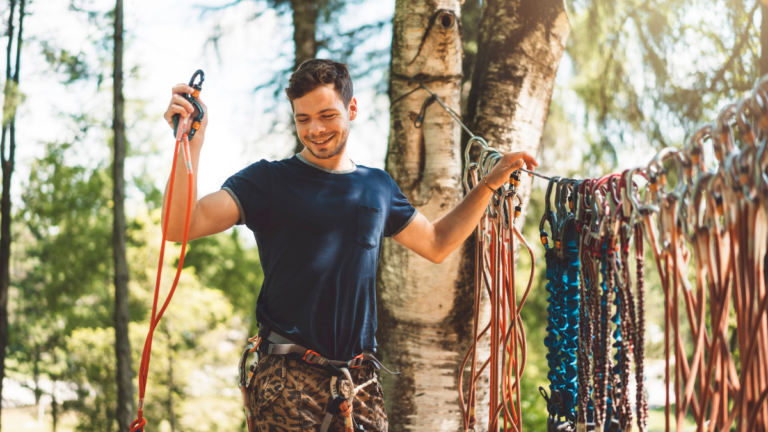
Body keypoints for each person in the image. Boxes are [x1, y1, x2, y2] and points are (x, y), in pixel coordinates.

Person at [161, 59, 537, 432]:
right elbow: (181, 225)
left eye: (327, 115)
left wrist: (488, 185)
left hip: (360, 384)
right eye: (303, 119)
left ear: (352, 108)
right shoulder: (268, 181)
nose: (316, 129)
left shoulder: (377, 187)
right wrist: (190, 142)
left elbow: (438, 243)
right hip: (287, 381)